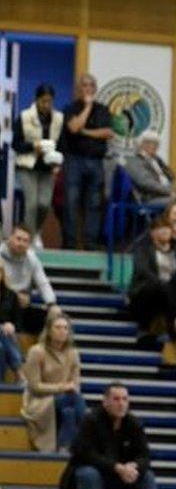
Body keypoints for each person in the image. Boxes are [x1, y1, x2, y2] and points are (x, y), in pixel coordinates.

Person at [60, 383, 154, 489]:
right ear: (105, 402)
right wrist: (116, 467)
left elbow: (145, 456)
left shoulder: (134, 423)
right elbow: (84, 453)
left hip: (118, 479)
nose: (121, 404)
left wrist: (134, 466)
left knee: (147, 477)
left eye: (124, 399)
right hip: (88, 477)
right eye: (116, 399)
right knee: (89, 475)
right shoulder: (91, 420)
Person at [21, 313, 86, 452]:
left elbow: (76, 384)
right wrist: (61, 387)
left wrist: (70, 389)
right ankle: (87, 436)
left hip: (67, 399)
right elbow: (34, 386)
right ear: (49, 331)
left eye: (65, 328)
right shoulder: (36, 351)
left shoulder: (73, 353)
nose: (62, 331)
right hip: (40, 400)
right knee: (73, 399)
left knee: (69, 412)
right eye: (57, 327)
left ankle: (62, 449)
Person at [62, 74, 112, 250]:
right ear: (78, 89)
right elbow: (73, 127)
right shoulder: (70, 108)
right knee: (71, 203)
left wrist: (85, 132)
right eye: (85, 85)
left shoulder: (103, 109)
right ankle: (70, 243)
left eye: (92, 85)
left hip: (96, 161)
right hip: (74, 160)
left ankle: (91, 243)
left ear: (95, 88)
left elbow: (107, 132)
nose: (88, 88)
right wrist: (88, 106)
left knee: (95, 204)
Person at [12, 83, 63, 241]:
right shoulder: (24, 116)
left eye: (50, 101)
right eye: (43, 101)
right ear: (36, 100)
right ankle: (30, 238)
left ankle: (36, 231)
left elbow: (61, 143)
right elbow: (16, 144)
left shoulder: (58, 118)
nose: (46, 105)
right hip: (26, 166)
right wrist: (34, 146)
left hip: (47, 168)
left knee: (44, 204)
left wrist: (57, 161)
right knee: (32, 204)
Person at [128, 216, 176, 334]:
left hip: (173, 292)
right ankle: (146, 328)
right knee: (157, 288)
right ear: (152, 233)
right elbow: (143, 271)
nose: (165, 231)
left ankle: (171, 330)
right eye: (160, 228)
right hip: (147, 292)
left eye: (167, 228)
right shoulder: (142, 250)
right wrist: (165, 285)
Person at [1, 225, 57, 333]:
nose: (21, 243)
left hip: (22, 304)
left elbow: (43, 283)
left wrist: (52, 304)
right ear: (10, 238)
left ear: (29, 244)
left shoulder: (32, 258)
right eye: (18, 239)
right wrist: (14, 296)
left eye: (25, 241)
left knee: (49, 319)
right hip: (3, 302)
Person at [123, 130, 176, 204]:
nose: (154, 146)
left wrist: (173, 190)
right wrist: (168, 191)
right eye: (149, 143)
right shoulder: (134, 161)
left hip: (164, 195)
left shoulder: (157, 160)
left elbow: (171, 176)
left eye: (156, 144)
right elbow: (145, 182)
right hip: (148, 198)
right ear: (141, 144)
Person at [0, 264, 24, 384]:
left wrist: (12, 326)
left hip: (6, 335)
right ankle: (18, 370)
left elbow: (18, 321)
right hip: (3, 332)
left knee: (0, 347)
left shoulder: (11, 295)